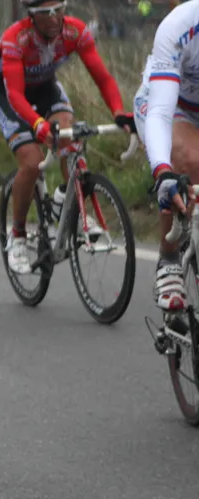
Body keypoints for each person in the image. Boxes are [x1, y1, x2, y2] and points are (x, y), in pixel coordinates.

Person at [0, 0, 133, 275]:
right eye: (46, 12)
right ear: (31, 16)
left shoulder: (75, 32)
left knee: (71, 136)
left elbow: (102, 78)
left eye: (59, 8)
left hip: (46, 89)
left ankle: (65, 200)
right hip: (10, 96)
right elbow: (16, 95)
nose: (54, 18)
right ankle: (17, 235)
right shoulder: (15, 39)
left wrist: (118, 112)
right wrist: (38, 124)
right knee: (31, 162)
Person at [134, 0, 199, 312]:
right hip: (169, 106)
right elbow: (160, 112)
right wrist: (162, 170)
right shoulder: (180, 26)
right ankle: (169, 260)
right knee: (189, 159)